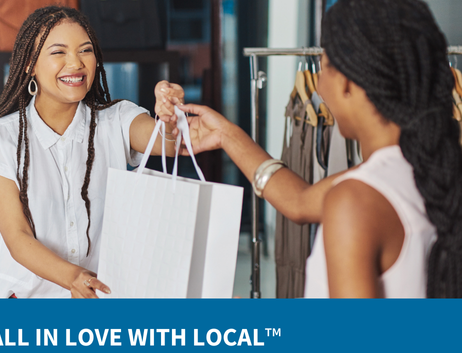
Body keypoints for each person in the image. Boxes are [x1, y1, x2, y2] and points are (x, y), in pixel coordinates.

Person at [155, 0, 462, 298]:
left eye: (324, 67)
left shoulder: (356, 201)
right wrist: (226, 135)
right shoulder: (436, 167)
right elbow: (300, 202)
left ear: (346, 85)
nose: (317, 85)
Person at [0, 6, 177, 298]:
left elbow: (166, 141)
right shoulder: (0, 138)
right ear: (30, 63)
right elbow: (17, 237)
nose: (76, 63)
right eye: (58, 52)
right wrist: (74, 278)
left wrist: (168, 116)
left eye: (85, 51)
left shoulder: (116, 119)